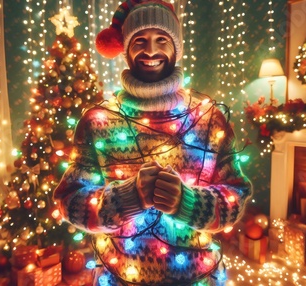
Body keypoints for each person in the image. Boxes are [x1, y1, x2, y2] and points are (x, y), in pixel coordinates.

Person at [54, 1, 251, 285]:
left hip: (199, 278)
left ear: (176, 47)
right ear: (125, 48)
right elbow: (69, 200)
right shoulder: (98, 121)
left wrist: (188, 202)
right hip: (120, 278)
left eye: (161, 40)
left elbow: (237, 195)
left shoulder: (208, 118)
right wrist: (127, 198)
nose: (150, 51)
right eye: (139, 41)